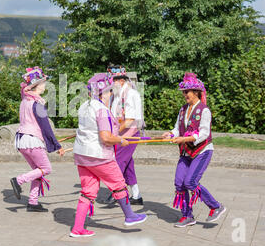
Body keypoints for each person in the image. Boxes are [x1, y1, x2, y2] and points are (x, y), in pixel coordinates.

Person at [70, 73, 147, 237]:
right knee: (118, 183)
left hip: (82, 155)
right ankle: (130, 216)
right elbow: (105, 137)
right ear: (103, 93)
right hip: (99, 155)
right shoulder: (101, 110)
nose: (111, 94)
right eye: (110, 91)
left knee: (88, 191)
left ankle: (77, 228)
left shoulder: (84, 106)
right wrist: (120, 139)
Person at [162, 72, 225, 227]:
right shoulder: (183, 110)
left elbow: (204, 134)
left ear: (196, 92)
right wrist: (171, 134)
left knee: (190, 181)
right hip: (186, 151)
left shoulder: (204, 110)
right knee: (179, 183)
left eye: (187, 91)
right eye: (184, 92)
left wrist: (184, 139)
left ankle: (216, 206)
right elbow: (178, 128)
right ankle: (187, 216)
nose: (185, 95)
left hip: (202, 151)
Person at [10, 66, 65, 212]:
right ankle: (18, 180)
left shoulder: (25, 101)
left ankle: (33, 202)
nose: (45, 85)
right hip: (32, 140)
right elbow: (46, 127)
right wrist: (57, 146)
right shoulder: (37, 104)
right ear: (37, 86)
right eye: (43, 83)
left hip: (21, 140)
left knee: (38, 170)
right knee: (46, 168)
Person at [104, 65, 145, 205]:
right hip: (120, 134)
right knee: (128, 165)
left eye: (113, 80)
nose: (111, 83)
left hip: (130, 133)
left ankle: (116, 191)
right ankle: (136, 195)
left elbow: (130, 120)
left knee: (118, 161)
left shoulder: (130, 94)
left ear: (121, 80)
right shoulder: (117, 94)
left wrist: (113, 132)